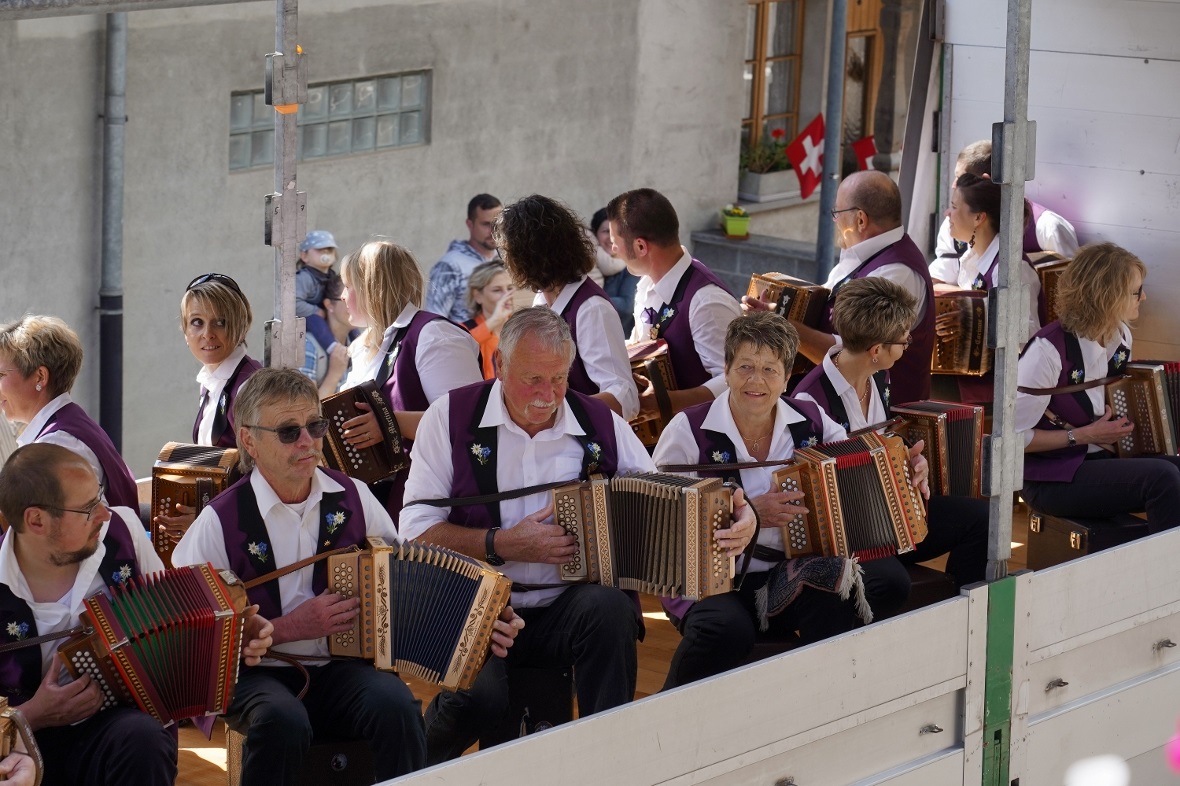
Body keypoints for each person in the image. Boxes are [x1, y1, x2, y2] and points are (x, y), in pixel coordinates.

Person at [400, 307, 757, 762]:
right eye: (532, 379)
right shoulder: (449, 417)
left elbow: (669, 499)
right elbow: (413, 533)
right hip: (478, 609)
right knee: (478, 699)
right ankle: (410, 774)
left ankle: (608, 763)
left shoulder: (598, 423)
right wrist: (502, 543)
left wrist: (732, 512)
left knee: (608, 609)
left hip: (565, 607)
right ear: (500, 366)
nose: (547, 395)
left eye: (558, 379)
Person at [172, 368, 520, 785]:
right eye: (288, 431)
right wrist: (285, 629)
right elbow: (187, 636)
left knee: (396, 705)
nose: (307, 441)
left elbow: (413, 578)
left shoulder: (353, 495)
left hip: (340, 669)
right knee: (282, 719)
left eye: (315, 426)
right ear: (249, 440)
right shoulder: (219, 522)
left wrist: (485, 618)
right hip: (258, 676)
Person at [651, 311, 919, 688]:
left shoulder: (811, 420)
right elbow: (662, 524)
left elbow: (859, 467)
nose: (756, 380)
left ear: (786, 375)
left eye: (769, 370)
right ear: (726, 370)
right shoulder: (689, 431)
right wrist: (750, 513)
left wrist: (906, 469)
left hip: (787, 572)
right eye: (745, 366)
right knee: (726, 630)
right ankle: (666, 716)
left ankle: (813, 698)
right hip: (713, 578)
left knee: (870, 584)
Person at [0, 443, 272, 786]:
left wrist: (234, 631)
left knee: (142, 736)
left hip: (116, 731)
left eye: (99, 497)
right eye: (87, 508)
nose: (104, 513)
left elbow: (175, 617)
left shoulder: (123, 532)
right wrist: (33, 715)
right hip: (20, 751)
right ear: (36, 520)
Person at [792, 278, 988, 589]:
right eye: (903, 341)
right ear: (876, 350)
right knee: (893, 581)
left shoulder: (879, 376)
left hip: (890, 514)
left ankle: (960, 610)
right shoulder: (809, 402)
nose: (907, 343)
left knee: (982, 519)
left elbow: (883, 445)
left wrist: (910, 462)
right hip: (849, 535)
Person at [1016, 242, 1180, 532]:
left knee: (1172, 469)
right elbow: (1013, 441)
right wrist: (1081, 436)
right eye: (1136, 291)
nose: (1144, 297)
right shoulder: (1047, 351)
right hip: (1051, 478)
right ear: (1108, 296)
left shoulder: (1121, 337)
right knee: (1162, 478)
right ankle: (1167, 570)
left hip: (1099, 460)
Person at [748, 171, 935, 405]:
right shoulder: (864, 252)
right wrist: (777, 307)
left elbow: (854, 354)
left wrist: (780, 324)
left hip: (881, 415)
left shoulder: (896, 273)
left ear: (860, 220)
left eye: (837, 213)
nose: (835, 221)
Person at [337, 240, 483, 519]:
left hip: (432, 504)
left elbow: (467, 425)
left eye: (348, 285)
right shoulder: (365, 345)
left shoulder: (434, 335)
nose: (342, 296)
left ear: (371, 287)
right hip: (377, 500)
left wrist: (389, 423)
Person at [496, 194, 639, 420]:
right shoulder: (542, 300)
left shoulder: (591, 308)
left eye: (507, 253)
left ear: (526, 255)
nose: (506, 262)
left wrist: (552, 414)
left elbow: (625, 398)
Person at [607, 188, 742, 416]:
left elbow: (737, 380)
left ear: (640, 246)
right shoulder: (646, 283)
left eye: (614, 242)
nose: (612, 250)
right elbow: (642, 343)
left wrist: (668, 402)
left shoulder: (707, 302)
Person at [0, 316, 138, 510]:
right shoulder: (70, 425)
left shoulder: (58, 444)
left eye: (1, 375)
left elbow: (67, 533)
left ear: (40, 376)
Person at [930, 139, 1079, 269]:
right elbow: (937, 283)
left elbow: (1073, 289)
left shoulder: (1048, 227)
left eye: (961, 178)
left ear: (985, 180)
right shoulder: (954, 223)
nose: (954, 185)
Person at [181, 273, 263, 449]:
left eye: (220, 322)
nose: (207, 334)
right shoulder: (210, 381)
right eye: (197, 322)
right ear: (185, 332)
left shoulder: (248, 388)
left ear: (241, 326)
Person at [425, 194, 503, 322]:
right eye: (486, 224)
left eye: (497, 223)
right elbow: (434, 322)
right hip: (463, 340)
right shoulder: (449, 266)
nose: (493, 231)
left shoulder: (506, 260)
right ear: (470, 224)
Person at [298, 270, 353, 397]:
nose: (358, 304)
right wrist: (334, 374)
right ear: (329, 305)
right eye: (347, 298)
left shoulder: (358, 345)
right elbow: (305, 410)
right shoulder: (308, 345)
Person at [461, 261, 515, 380]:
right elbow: (459, 351)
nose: (507, 295)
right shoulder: (462, 330)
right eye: (497, 290)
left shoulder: (521, 327)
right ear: (478, 296)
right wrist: (494, 321)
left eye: (510, 288)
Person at [296, 230, 344, 359]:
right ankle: (333, 349)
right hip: (302, 319)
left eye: (329, 249)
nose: (326, 253)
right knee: (315, 319)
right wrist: (316, 310)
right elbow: (292, 303)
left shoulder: (332, 276)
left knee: (345, 318)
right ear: (304, 256)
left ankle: (358, 344)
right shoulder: (304, 277)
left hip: (322, 314)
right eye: (320, 249)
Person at [590, 207, 636, 333]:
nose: (611, 238)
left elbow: (627, 305)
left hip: (621, 340)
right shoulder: (589, 265)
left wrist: (587, 301)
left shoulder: (631, 266)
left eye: (617, 232)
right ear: (594, 235)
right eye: (605, 231)